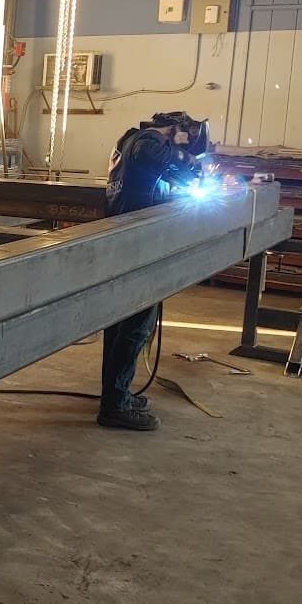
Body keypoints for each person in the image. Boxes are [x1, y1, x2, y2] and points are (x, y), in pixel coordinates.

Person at [99, 112, 210, 432]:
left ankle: (116, 395)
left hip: (128, 245)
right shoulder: (147, 141)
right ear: (176, 130)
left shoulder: (129, 143)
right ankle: (115, 406)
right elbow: (156, 156)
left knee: (121, 326)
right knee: (135, 327)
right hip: (138, 249)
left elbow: (165, 174)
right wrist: (188, 160)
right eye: (184, 142)